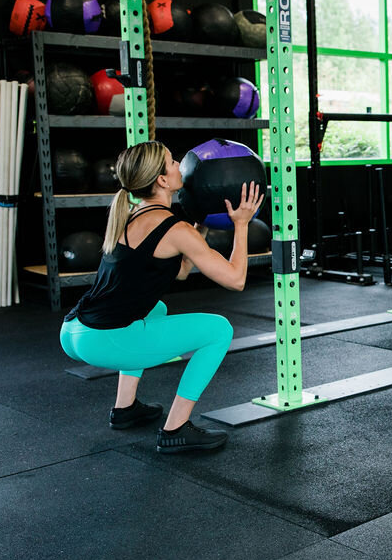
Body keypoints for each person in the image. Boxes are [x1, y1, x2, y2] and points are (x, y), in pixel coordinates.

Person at [59, 140, 264, 453]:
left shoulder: (131, 215)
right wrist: (241, 225)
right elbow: (236, 280)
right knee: (219, 330)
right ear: (162, 180)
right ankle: (176, 428)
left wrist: (200, 229)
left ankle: (125, 409)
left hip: (75, 331)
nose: (179, 164)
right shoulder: (174, 229)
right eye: (171, 161)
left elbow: (178, 271)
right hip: (103, 340)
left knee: (156, 308)